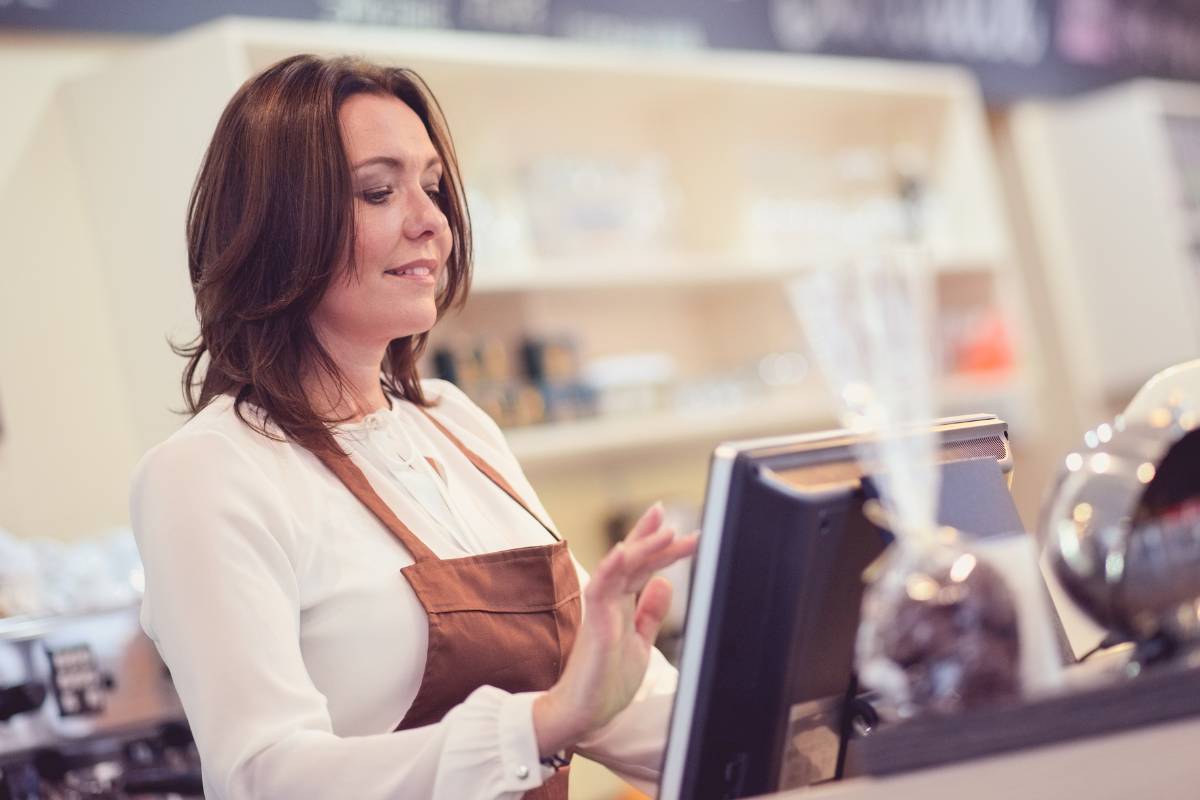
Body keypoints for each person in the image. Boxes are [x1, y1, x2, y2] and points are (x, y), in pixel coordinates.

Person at [129, 54, 698, 800]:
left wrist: (822, 717)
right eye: (378, 191)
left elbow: (612, 703)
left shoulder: (454, 422)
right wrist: (542, 726)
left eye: (431, 186)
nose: (431, 221)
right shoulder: (209, 473)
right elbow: (265, 776)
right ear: (276, 227)